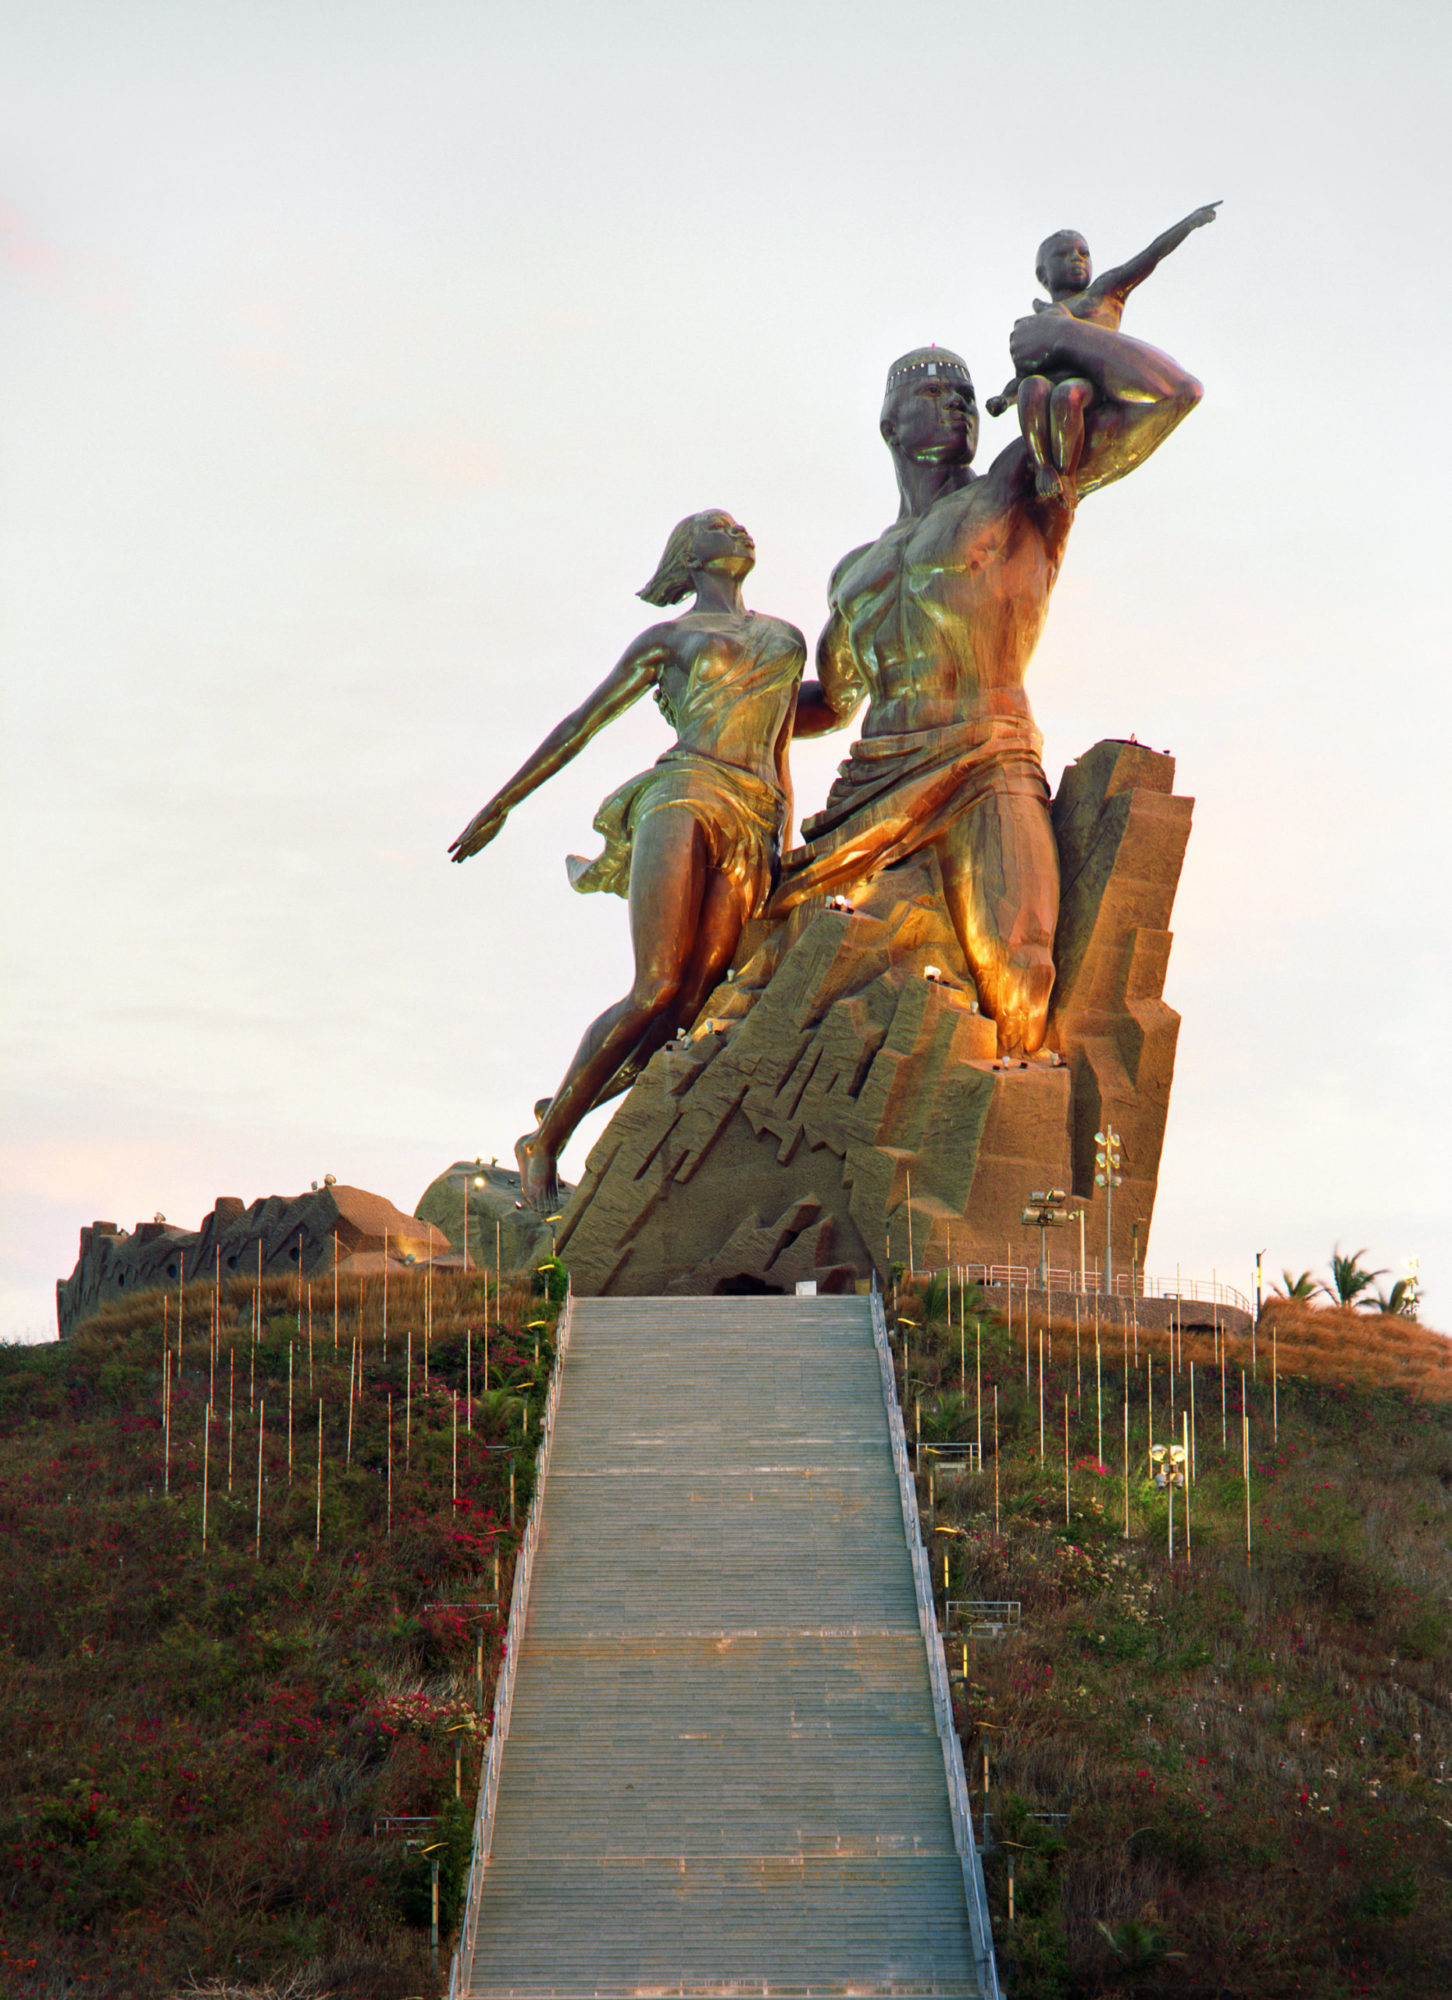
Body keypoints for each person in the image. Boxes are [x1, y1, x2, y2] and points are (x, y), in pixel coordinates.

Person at [771, 323, 1203, 1057]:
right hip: (872, 784)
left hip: (987, 759)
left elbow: (1169, 396)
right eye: (934, 393)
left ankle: (1014, 1143)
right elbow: (833, 702)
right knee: (774, 965)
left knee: (1019, 960)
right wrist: (731, 709)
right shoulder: (854, 571)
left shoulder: (1021, 488)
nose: (959, 406)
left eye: (968, 395)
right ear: (889, 422)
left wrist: (1063, 332)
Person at [449, 510, 811, 1208]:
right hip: (682, 794)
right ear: (688, 556)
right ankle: (548, 1142)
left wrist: (782, 843)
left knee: (694, 1003)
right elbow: (582, 724)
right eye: (717, 527)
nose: (737, 532)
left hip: (753, 816)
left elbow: (783, 746)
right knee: (656, 985)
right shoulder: (669, 639)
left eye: (739, 525)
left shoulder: (786, 640)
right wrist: (502, 803)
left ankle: (566, 1110)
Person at [986, 203, 1219, 505]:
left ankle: (1068, 476)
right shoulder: (1037, 321)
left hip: (1089, 388)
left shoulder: (1105, 293)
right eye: (1063, 255)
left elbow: (1150, 257)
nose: (1076, 259)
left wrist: (1188, 225)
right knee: (1034, 387)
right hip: (1045, 388)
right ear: (1043, 274)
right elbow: (1023, 376)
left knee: (1068, 394)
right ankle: (1045, 466)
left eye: (1083, 253)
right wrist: (1004, 400)